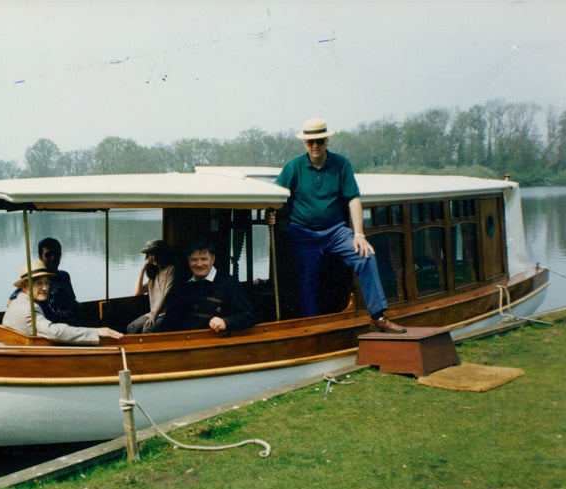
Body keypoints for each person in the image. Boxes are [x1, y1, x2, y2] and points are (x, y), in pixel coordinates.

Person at [271, 117, 405, 333]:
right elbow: (275, 196)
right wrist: (272, 213)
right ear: (304, 143)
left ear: (326, 141)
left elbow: (353, 199)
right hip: (303, 233)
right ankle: (312, 327)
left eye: (320, 141)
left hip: (335, 232)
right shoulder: (293, 167)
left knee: (366, 256)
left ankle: (378, 316)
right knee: (307, 281)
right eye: (310, 142)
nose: (315, 146)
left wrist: (359, 234)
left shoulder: (342, 164)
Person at [2, 262, 122, 344]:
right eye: (39, 283)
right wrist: (97, 331)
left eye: (47, 283)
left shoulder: (16, 303)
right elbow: (54, 332)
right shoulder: (29, 309)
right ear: (24, 286)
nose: (45, 288)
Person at [160, 239, 256, 333]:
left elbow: (249, 316)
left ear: (212, 260)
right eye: (194, 260)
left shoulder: (229, 283)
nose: (199, 264)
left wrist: (226, 322)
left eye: (204, 259)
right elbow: (169, 320)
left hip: (217, 343)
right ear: (188, 261)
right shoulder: (184, 286)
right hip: (186, 343)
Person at [8, 237, 83, 324]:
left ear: (60, 255)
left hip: (68, 323)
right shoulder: (34, 280)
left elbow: (72, 301)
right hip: (48, 327)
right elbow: (10, 303)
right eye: (48, 255)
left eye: (56, 254)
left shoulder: (64, 276)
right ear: (40, 257)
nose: (53, 258)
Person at [126, 240, 176, 334]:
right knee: (131, 328)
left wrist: (154, 316)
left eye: (157, 253)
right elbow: (137, 291)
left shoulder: (171, 269)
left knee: (148, 330)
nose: (154, 257)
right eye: (151, 254)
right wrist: (143, 268)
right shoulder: (153, 273)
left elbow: (166, 294)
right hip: (152, 313)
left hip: (166, 314)